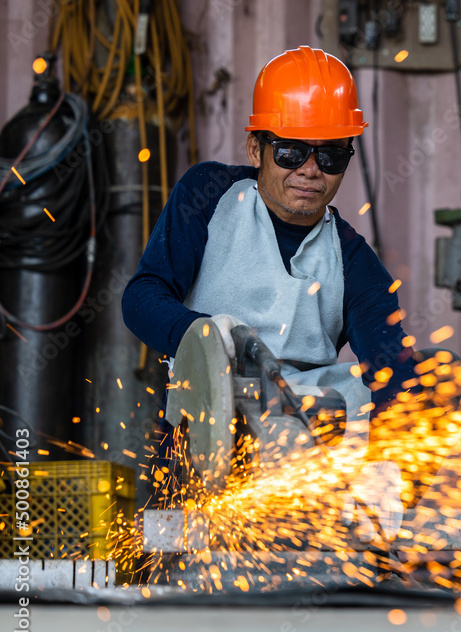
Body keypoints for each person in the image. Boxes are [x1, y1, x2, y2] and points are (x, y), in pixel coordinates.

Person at [121, 46, 411, 541]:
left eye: (332, 154)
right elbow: (143, 295)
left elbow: (389, 362)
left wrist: (409, 416)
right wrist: (203, 341)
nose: (310, 170)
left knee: (422, 375)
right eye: (292, 151)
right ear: (256, 148)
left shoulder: (354, 260)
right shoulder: (208, 195)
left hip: (313, 453)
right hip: (206, 439)